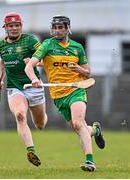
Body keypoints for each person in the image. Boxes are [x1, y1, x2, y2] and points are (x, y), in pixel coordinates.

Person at [25, 15, 105, 171]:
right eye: (54, 27)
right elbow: (30, 67)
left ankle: (89, 161)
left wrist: (79, 69)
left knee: (77, 122)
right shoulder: (47, 45)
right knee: (80, 128)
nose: (57, 31)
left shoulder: (77, 47)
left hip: (76, 89)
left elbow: (88, 73)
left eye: (61, 27)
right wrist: (35, 79)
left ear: (68, 28)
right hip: (58, 95)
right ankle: (95, 130)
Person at [0, 12, 47, 167]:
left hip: (33, 85)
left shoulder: (30, 40)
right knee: (19, 115)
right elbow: (2, 61)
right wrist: (0, 80)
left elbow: (45, 60)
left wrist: (34, 62)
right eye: (10, 26)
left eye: (17, 25)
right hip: (14, 87)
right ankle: (30, 150)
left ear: (21, 26)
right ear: (5, 28)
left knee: (40, 124)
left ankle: (42, 118)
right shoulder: (0, 45)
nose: (14, 28)